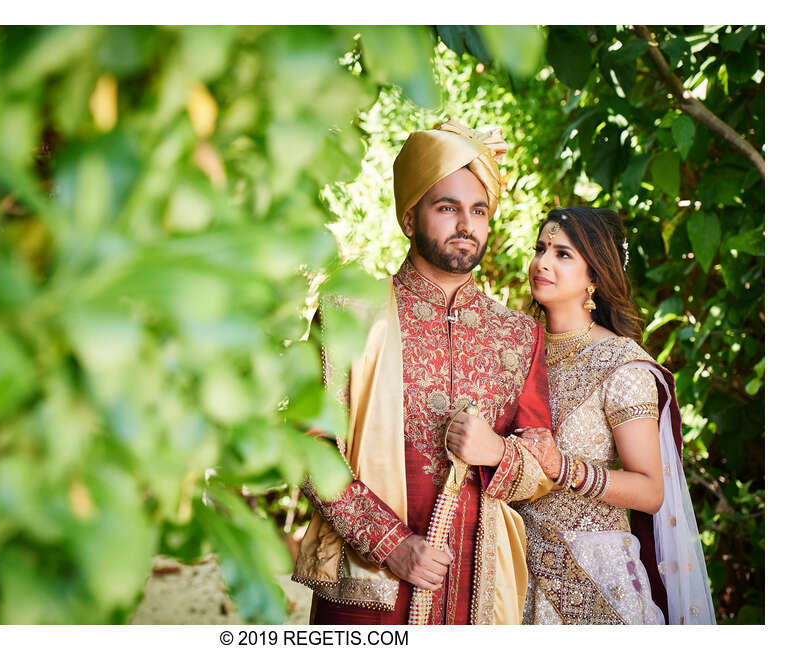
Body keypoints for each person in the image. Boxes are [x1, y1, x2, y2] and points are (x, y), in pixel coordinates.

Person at [291, 120, 553, 625]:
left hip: (475, 598)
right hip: (370, 596)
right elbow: (310, 444)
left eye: (478, 210)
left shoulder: (519, 335)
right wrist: (391, 544)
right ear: (410, 218)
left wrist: (496, 451)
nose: (466, 224)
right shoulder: (350, 312)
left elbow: (542, 465)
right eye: (447, 207)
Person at [513, 206, 715, 624]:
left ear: (595, 278)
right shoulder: (515, 351)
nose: (542, 263)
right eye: (540, 249)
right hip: (512, 567)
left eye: (563, 254)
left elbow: (649, 490)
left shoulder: (621, 364)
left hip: (592, 572)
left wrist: (562, 467)